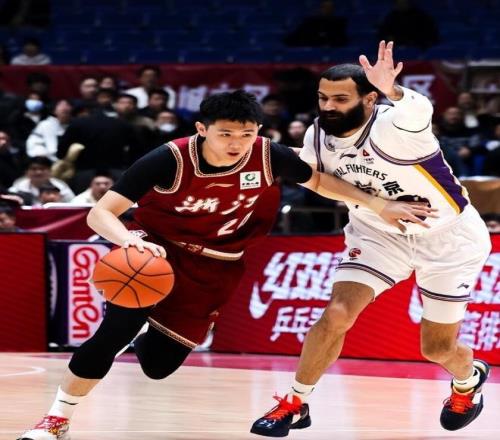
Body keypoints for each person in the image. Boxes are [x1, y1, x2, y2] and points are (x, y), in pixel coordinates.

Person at [17, 89, 432, 439]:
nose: (237, 143)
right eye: (226, 134)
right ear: (202, 129)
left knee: (158, 367)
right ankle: (57, 419)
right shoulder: (169, 158)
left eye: (247, 134)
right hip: (155, 254)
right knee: (112, 335)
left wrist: (380, 205)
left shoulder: (267, 155)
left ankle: (146, 330)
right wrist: (128, 240)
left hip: (216, 268)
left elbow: (319, 180)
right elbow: (100, 214)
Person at [251, 41, 492, 437]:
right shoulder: (318, 134)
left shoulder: (396, 126)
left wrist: (392, 90)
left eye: (340, 99)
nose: (328, 107)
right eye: (323, 98)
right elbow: (317, 178)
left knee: (436, 349)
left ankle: (468, 380)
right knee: (337, 313)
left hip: (448, 240)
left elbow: (418, 111)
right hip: (378, 234)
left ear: (368, 99)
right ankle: (295, 402)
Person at [9, 156, 74, 205]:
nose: (38, 172)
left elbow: (73, 205)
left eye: (42, 169)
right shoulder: (16, 190)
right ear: (26, 172)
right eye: (34, 169)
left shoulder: (62, 188)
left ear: (50, 171)